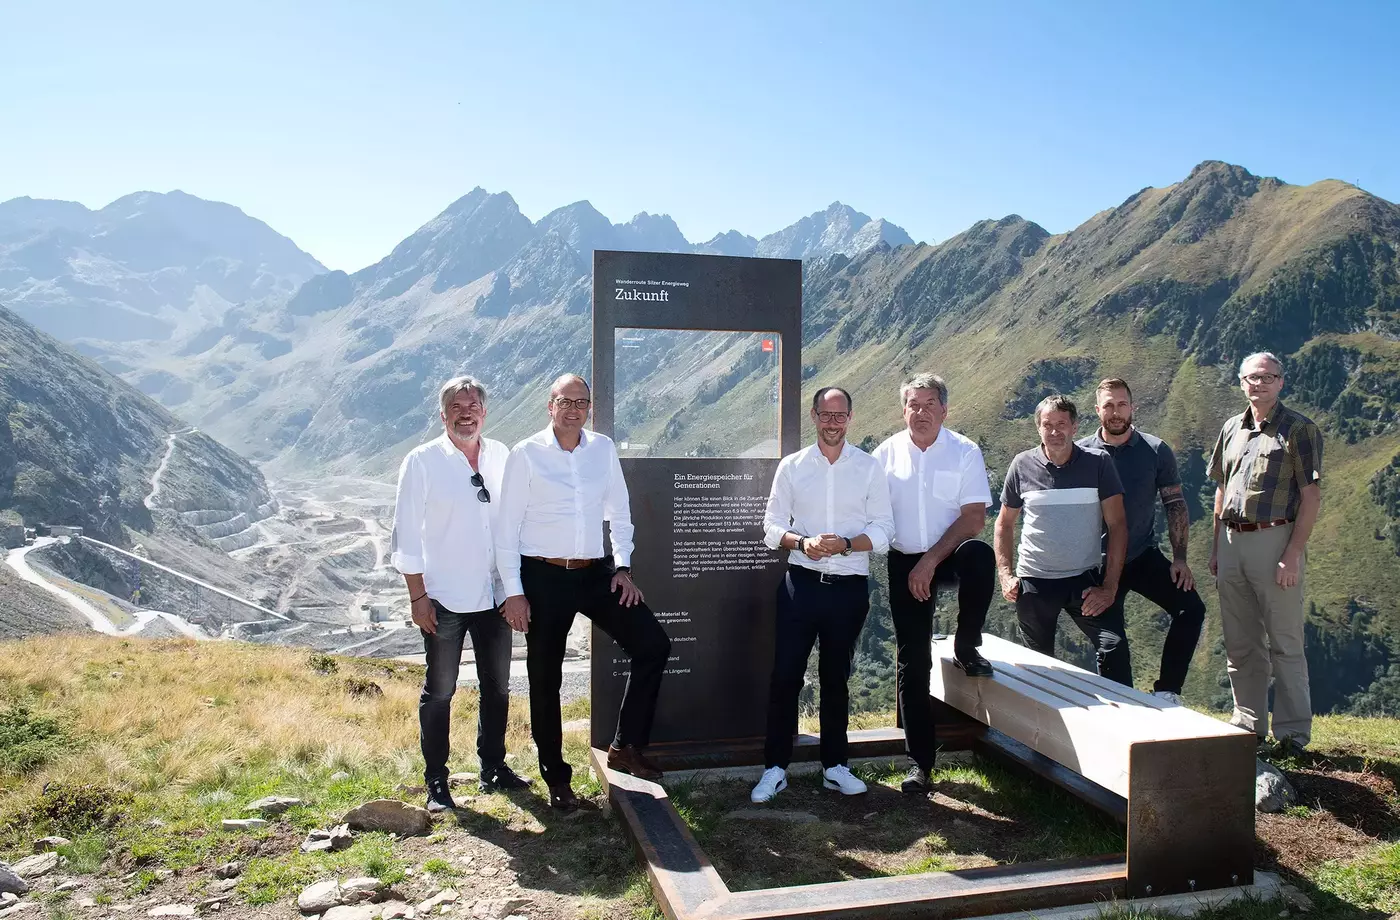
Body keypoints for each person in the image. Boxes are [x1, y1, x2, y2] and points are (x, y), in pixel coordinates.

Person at [496, 373, 671, 810]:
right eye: (565, 401)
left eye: (582, 402)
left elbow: (620, 512)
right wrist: (514, 592)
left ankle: (626, 747)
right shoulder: (527, 453)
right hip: (542, 577)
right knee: (545, 679)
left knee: (653, 645)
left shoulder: (603, 449)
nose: (574, 409)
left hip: (596, 574)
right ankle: (556, 778)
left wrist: (623, 567)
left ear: (589, 408)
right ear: (549, 405)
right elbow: (504, 530)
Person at [390, 376, 530, 813]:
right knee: (441, 689)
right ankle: (437, 782)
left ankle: (493, 767)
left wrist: (514, 588)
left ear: (484, 413)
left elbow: (513, 521)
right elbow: (406, 534)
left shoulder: (503, 455)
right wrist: (418, 597)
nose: (465, 412)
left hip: (495, 595)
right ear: (443, 413)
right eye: (456, 405)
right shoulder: (422, 461)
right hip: (444, 598)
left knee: (498, 687)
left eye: (472, 405)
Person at [751, 386, 895, 804]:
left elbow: (885, 529)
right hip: (801, 584)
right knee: (785, 677)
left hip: (849, 588)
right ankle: (775, 768)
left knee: (836, 679)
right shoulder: (793, 466)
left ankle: (835, 767)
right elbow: (771, 527)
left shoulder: (868, 468)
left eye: (840, 415)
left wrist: (847, 545)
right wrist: (803, 543)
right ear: (813, 417)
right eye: (825, 415)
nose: (833, 423)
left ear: (850, 418)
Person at [872, 373, 996, 795]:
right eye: (913, 404)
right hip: (903, 559)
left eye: (929, 404)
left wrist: (929, 562)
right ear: (902, 409)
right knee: (913, 659)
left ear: (945, 409)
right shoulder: (885, 455)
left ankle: (965, 643)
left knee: (980, 555)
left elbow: (975, 519)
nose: (920, 412)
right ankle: (919, 765)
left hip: (949, 553)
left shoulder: (964, 451)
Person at [1208, 351, 1322, 755]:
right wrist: (1216, 546)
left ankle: (1292, 735)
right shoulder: (1230, 429)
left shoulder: (1299, 430)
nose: (1258, 384)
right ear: (1241, 382)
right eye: (1251, 378)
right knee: (1240, 642)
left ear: (1281, 382)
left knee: (1285, 641)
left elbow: (1310, 497)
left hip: (1275, 541)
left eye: (1266, 377)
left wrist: (1292, 554)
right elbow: (1221, 490)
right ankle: (1248, 723)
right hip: (1232, 540)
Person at [1078, 378, 1206, 705]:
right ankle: (1121, 709)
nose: (1116, 412)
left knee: (1190, 608)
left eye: (1122, 404)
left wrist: (1179, 559)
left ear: (1132, 407)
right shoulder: (1081, 454)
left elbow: (1174, 503)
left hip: (1141, 556)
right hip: (1098, 564)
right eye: (1108, 405)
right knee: (1112, 644)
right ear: (1097, 410)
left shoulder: (1156, 450)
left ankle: (1167, 692)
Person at [994, 395, 1130, 684]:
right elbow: (1004, 524)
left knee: (1113, 646)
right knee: (1038, 665)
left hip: (1084, 580)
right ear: (1038, 428)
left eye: (1062, 424)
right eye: (1047, 425)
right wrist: (1006, 575)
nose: (1055, 432)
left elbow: (1117, 525)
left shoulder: (1098, 463)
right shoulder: (1021, 465)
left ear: (1075, 426)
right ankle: (1041, 726)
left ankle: (1124, 721)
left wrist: (1109, 586)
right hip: (1035, 581)